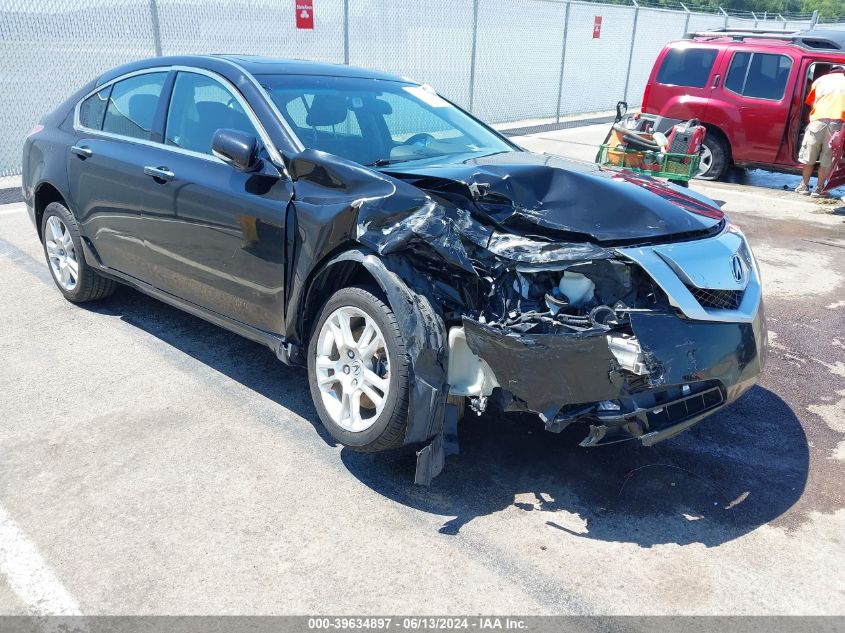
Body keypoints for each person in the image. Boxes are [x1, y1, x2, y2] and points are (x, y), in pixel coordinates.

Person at [796, 65, 845, 198]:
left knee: (810, 154)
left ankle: (804, 186)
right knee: (827, 158)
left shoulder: (820, 80)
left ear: (831, 71)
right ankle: (819, 189)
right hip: (837, 123)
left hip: (818, 121)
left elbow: (811, 102)